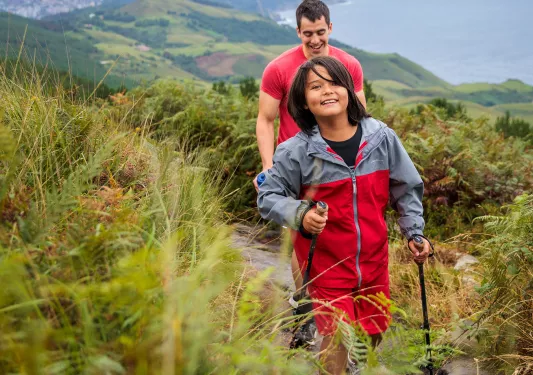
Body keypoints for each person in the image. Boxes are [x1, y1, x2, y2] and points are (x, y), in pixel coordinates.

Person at [256, 56, 431, 375]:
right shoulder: (296, 152)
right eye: (315, 86)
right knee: (335, 336)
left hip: (373, 262)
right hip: (326, 266)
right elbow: (268, 197)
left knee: (374, 330)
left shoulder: (381, 138)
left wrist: (414, 232)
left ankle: (355, 365)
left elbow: (406, 187)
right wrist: (301, 214)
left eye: (334, 82)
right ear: (304, 101)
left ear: (349, 90)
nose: (327, 91)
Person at [254, 0, 366, 293]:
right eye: (307, 34)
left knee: (341, 234)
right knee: (301, 236)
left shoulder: (349, 65)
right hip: (296, 166)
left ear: (330, 28)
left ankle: (338, 299)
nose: (315, 40)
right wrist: (268, 166)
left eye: (320, 32)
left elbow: (361, 117)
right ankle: (306, 308)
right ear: (298, 32)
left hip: (340, 162)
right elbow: (265, 120)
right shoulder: (278, 69)